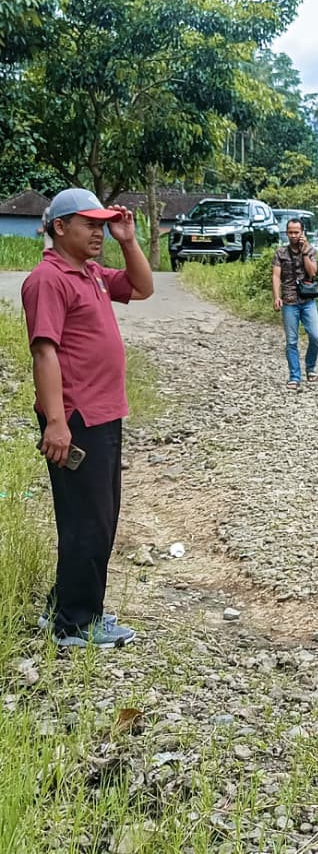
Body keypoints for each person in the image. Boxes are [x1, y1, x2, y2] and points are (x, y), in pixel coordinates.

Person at [21, 187, 154, 648]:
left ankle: (63, 607)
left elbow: (143, 288)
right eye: (90, 225)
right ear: (60, 227)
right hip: (76, 418)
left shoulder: (91, 273)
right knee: (88, 521)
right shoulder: (48, 279)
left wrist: (128, 240)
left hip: (103, 414)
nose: (99, 233)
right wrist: (57, 423)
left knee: (97, 516)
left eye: (102, 225)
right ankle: (76, 623)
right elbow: (44, 352)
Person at [271, 218, 318, 389]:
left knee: (315, 337)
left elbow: (312, 273)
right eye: (290, 232)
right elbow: (276, 275)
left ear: (302, 233)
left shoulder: (310, 250)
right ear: (286, 233)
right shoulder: (280, 253)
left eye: (296, 232)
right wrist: (276, 296)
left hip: (308, 300)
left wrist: (304, 251)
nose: (293, 235)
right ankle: (294, 376)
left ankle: (310, 367)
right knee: (291, 341)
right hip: (289, 300)